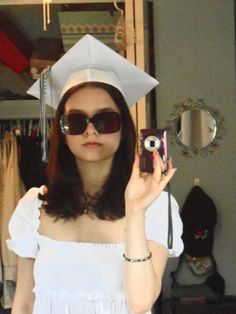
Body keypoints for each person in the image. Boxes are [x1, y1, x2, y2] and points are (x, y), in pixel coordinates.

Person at [6, 34, 183, 314]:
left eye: (105, 119)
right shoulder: (34, 208)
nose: (91, 131)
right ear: (61, 133)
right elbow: (24, 303)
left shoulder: (156, 207)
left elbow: (140, 303)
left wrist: (135, 210)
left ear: (124, 127)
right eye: (75, 121)